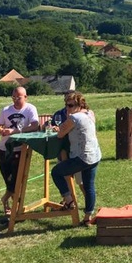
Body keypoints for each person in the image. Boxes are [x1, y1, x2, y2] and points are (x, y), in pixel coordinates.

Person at [51, 92, 101, 226]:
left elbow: (61, 134)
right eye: (66, 105)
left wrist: (63, 123)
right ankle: (88, 217)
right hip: (95, 155)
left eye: (70, 105)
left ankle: (69, 201)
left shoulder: (74, 117)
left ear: (79, 104)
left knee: (56, 172)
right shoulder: (90, 113)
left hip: (81, 157)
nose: (67, 108)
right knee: (89, 185)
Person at [0, 86, 39, 215]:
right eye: (13, 97)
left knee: (18, 179)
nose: (16, 100)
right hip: (4, 149)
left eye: (18, 97)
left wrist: (16, 131)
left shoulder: (30, 109)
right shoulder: (6, 110)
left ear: (25, 97)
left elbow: (35, 126)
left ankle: (11, 204)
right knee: (8, 179)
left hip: (21, 149)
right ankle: (14, 207)